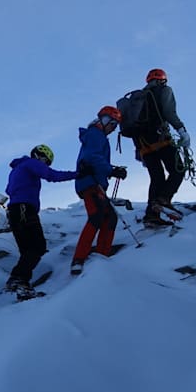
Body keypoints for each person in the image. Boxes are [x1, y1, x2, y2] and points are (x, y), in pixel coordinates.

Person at [4, 145, 77, 298]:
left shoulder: (17, 168)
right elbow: (52, 175)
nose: (45, 164)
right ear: (38, 155)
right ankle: (17, 279)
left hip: (14, 211)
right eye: (45, 160)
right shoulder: (30, 163)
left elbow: (9, 190)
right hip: (25, 209)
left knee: (27, 251)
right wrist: (78, 174)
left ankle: (22, 288)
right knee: (38, 246)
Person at [71, 106, 129, 275]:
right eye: (113, 124)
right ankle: (79, 259)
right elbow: (93, 157)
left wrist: (111, 170)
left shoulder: (96, 135)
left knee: (108, 217)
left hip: (91, 182)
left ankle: (100, 257)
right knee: (97, 216)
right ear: (105, 120)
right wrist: (111, 170)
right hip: (91, 182)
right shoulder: (96, 134)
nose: (113, 128)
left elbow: (93, 158)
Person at [133, 68, 189, 227]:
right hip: (161, 139)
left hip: (143, 145)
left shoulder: (138, 98)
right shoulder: (163, 90)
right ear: (162, 80)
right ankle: (163, 200)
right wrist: (181, 130)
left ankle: (152, 216)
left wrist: (139, 152)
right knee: (178, 169)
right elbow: (169, 112)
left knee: (157, 177)